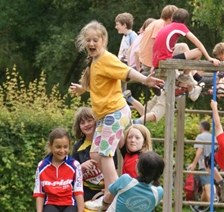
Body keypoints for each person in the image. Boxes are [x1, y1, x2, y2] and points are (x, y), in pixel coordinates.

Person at [69, 21, 164, 207]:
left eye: (95, 40)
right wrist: (82, 89)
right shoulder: (94, 62)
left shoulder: (106, 58)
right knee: (95, 155)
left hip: (116, 113)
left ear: (103, 40)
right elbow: (96, 84)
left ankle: (109, 197)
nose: (91, 44)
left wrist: (146, 80)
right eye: (88, 40)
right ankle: (112, 191)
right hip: (104, 116)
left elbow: (127, 71)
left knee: (105, 155)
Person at [152, 8, 220, 87]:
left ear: (172, 18)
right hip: (166, 60)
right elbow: (197, 42)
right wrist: (209, 58)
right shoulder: (180, 26)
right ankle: (185, 76)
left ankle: (183, 78)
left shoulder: (166, 26)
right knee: (198, 52)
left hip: (157, 61)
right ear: (184, 21)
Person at [72, 107, 117, 202]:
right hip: (86, 190)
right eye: (82, 122)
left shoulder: (107, 142)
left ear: (96, 121)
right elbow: (72, 173)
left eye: (89, 120)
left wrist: (108, 188)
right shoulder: (77, 147)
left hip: (106, 188)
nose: (86, 125)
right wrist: (81, 167)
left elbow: (114, 167)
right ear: (79, 126)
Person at [33, 128, 84, 212]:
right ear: (50, 145)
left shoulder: (75, 165)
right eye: (58, 147)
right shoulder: (42, 166)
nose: (62, 151)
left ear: (69, 145)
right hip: (50, 204)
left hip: (70, 204)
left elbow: (78, 192)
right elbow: (39, 193)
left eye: (65, 147)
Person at [99, 151, 165, 212]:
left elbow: (108, 198)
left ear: (139, 168)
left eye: (138, 161)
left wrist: (104, 203)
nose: (136, 161)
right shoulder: (158, 192)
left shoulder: (126, 180)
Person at [135, 4, 178, 73]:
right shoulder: (161, 24)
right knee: (183, 47)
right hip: (150, 63)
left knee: (183, 51)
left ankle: (189, 77)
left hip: (149, 60)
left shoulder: (158, 23)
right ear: (171, 18)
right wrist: (153, 65)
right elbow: (153, 45)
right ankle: (193, 78)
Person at [187, 121, 217, 204]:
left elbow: (200, 150)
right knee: (204, 187)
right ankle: (202, 206)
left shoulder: (200, 137)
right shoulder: (213, 137)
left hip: (204, 165)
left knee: (207, 186)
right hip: (214, 164)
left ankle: (212, 207)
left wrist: (193, 163)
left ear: (201, 127)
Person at [204, 100, 224, 200]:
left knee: (206, 162)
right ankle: (221, 182)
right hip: (218, 158)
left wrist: (214, 107)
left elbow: (218, 125)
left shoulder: (223, 141)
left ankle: (221, 182)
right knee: (208, 161)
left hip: (219, 159)